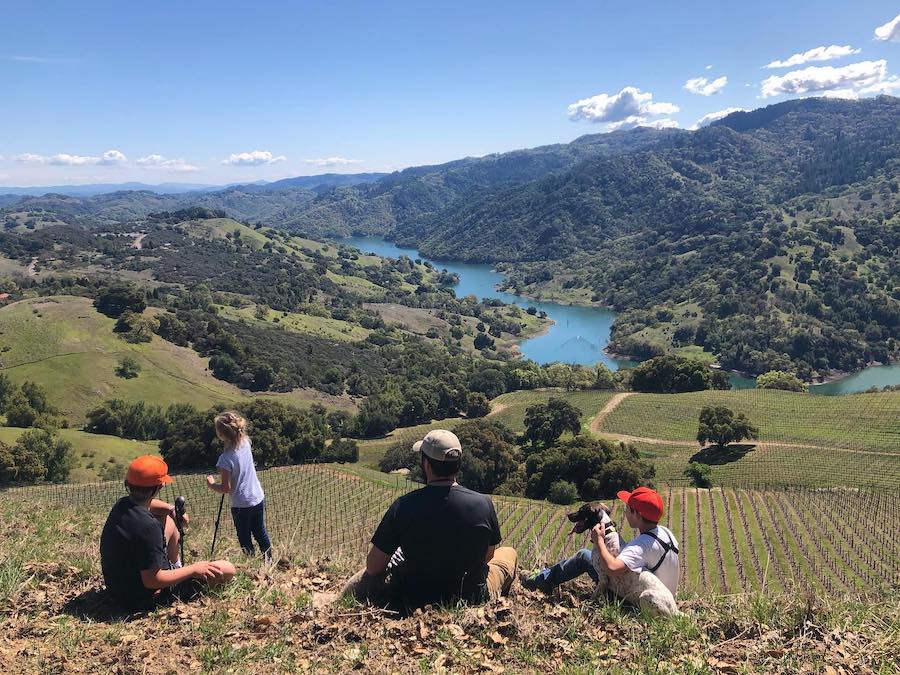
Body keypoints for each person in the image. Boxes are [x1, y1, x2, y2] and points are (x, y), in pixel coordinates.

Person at [342, 429, 518, 614]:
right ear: (458, 464)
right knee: (508, 553)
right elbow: (487, 557)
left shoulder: (403, 506)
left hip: (415, 600)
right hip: (472, 597)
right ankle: (503, 603)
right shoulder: (484, 504)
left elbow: (373, 567)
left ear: (426, 464)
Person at [100, 455, 235, 612]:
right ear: (158, 487)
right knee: (228, 569)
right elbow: (152, 580)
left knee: (170, 521)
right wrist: (193, 569)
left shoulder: (122, 504)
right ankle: (178, 574)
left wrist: (172, 510)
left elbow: (150, 505)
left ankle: (175, 566)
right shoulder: (148, 527)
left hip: (119, 590)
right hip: (144, 599)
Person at [521, 486, 679, 597]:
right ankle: (543, 576)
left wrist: (599, 541)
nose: (625, 510)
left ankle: (539, 580)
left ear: (636, 514)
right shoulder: (666, 533)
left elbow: (612, 568)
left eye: (627, 507)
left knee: (583, 556)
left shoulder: (641, 545)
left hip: (634, 595)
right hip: (666, 596)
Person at [206, 411, 272, 559]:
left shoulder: (225, 459)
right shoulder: (246, 443)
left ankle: (251, 562)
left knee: (244, 537)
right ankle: (269, 560)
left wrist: (211, 484)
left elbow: (225, 488)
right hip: (257, 496)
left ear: (221, 435)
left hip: (241, 504)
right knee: (260, 532)